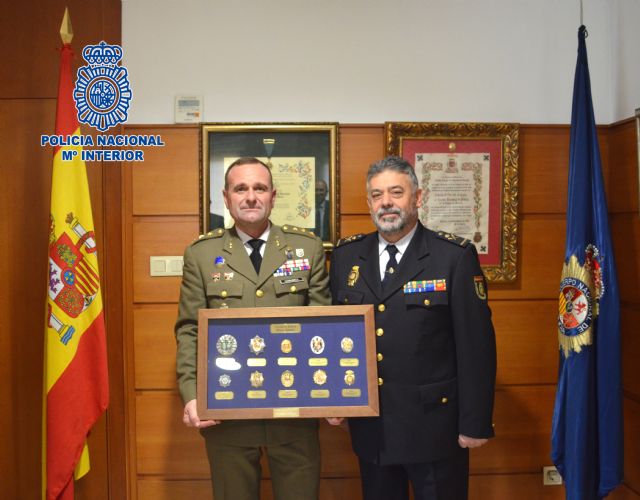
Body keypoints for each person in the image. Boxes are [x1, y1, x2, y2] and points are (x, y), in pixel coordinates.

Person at [327, 156, 496, 500]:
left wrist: (474, 422)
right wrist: (335, 398)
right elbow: (336, 335)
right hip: (372, 426)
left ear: (417, 198)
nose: (386, 202)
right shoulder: (347, 256)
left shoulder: (452, 256)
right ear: (369, 203)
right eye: (376, 195)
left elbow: (476, 346)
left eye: (395, 192)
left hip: (435, 428)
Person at [175, 157, 331, 500]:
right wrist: (191, 393)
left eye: (259, 188)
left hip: (294, 409)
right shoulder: (202, 254)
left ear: (273, 196)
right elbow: (189, 329)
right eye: (240, 188)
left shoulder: (307, 248)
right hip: (227, 412)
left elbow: (324, 326)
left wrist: (331, 390)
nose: (250, 196)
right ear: (226, 197)